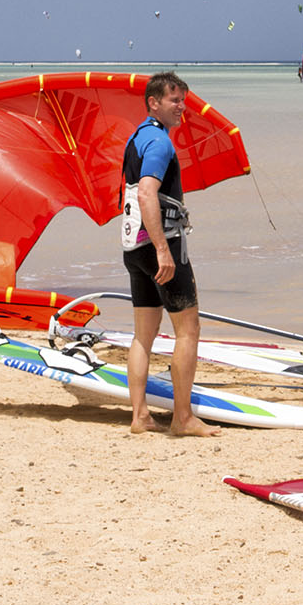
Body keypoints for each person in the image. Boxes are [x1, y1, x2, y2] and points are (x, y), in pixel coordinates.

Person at [118, 71, 216, 437]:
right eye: (175, 101)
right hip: (160, 246)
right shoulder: (159, 142)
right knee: (187, 330)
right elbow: (146, 193)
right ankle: (182, 417)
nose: (181, 108)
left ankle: (140, 415)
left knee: (143, 335)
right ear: (153, 102)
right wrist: (163, 249)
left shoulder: (136, 138)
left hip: (133, 248)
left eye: (183, 101)